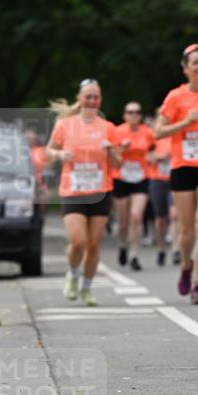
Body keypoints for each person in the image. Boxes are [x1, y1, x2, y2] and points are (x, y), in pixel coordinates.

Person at [155, 43, 198, 304]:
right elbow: (158, 132)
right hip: (183, 167)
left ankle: (197, 284)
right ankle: (186, 265)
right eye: (195, 62)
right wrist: (185, 123)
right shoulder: (176, 97)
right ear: (185, 69)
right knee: (186, 232)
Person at [46, 79, 122, 306]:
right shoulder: (65, 125)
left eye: (95, 97)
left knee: (94, 244)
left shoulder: (108, 128)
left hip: (100, 191)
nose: (91, 100)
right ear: (79, 99)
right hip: (73, 190)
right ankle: (72, 274)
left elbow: (118, 164)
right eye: (88, 96)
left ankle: (87, 288)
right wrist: (60, 155)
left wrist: (110, 151)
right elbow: (49, 151)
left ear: (100, 100)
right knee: (78, 241)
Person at [112, 102, 154, 271]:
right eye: (130, 112)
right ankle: (123, 245)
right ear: (125, 115)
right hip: (121, 178)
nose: (134, 115)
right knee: (123, 222)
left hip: (140, 178)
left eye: (137, 112)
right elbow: (111, 156)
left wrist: (153, 158)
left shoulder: (147, 132)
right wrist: (121, 149)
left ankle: (134, 254)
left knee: (136, 217)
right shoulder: (117, 132)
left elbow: (152, 151)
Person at [147, 112, 177, 266]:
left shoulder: (177, 135)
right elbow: (146, 158)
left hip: (174, 179)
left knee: (174, 215)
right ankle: (161, 248)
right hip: (157, 180)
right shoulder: (153, 136)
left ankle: (176, 249)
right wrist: (160, 157)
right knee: (160, 219)